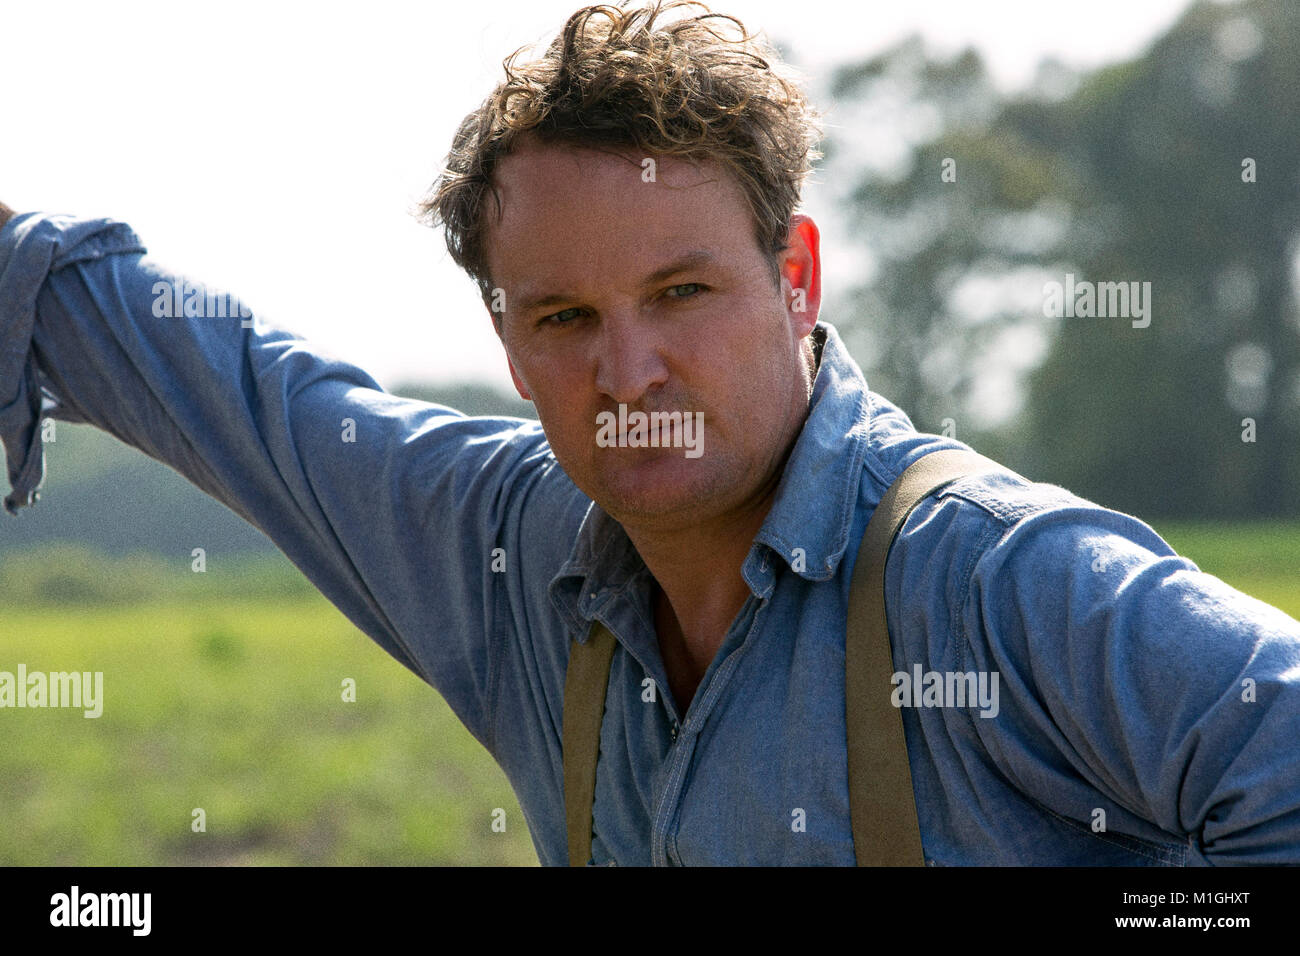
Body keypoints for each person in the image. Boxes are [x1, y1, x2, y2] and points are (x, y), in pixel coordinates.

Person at [2, 0, 1298, 866]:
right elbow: (231, 389)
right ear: (509, 344)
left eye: (681, 292)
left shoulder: (999, 584)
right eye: (565, 316)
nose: (629, 370)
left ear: (795, 276)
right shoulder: (499, 547)